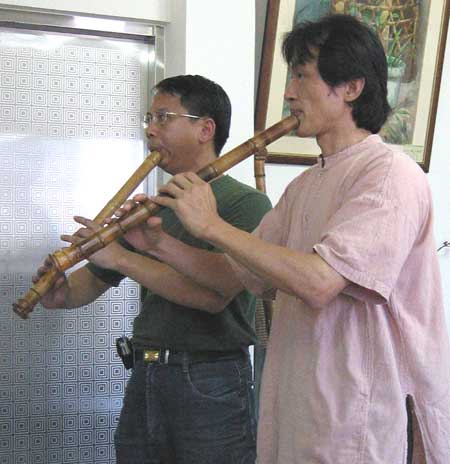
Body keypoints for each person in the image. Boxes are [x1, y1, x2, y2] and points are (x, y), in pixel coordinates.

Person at [126, 15, 450, 464]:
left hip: (359, 419)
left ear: (351, 87)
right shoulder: (304, 187)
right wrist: (156, 244)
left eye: (301, 76)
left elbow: (320, 282)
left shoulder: (389, 175)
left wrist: (212, 226)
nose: (289, 92)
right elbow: (231, 277)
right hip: (300, 410)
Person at [34, 74, 272, 463]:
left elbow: (217, 293)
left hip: (209, 378)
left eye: (164, 117)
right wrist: (61, 292)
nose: (150, 129)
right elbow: (92, 281)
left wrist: (126, 256)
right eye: (149, 118)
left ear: (205, 129)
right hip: (146, 372)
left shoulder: (244, 203)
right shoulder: (156, 207)